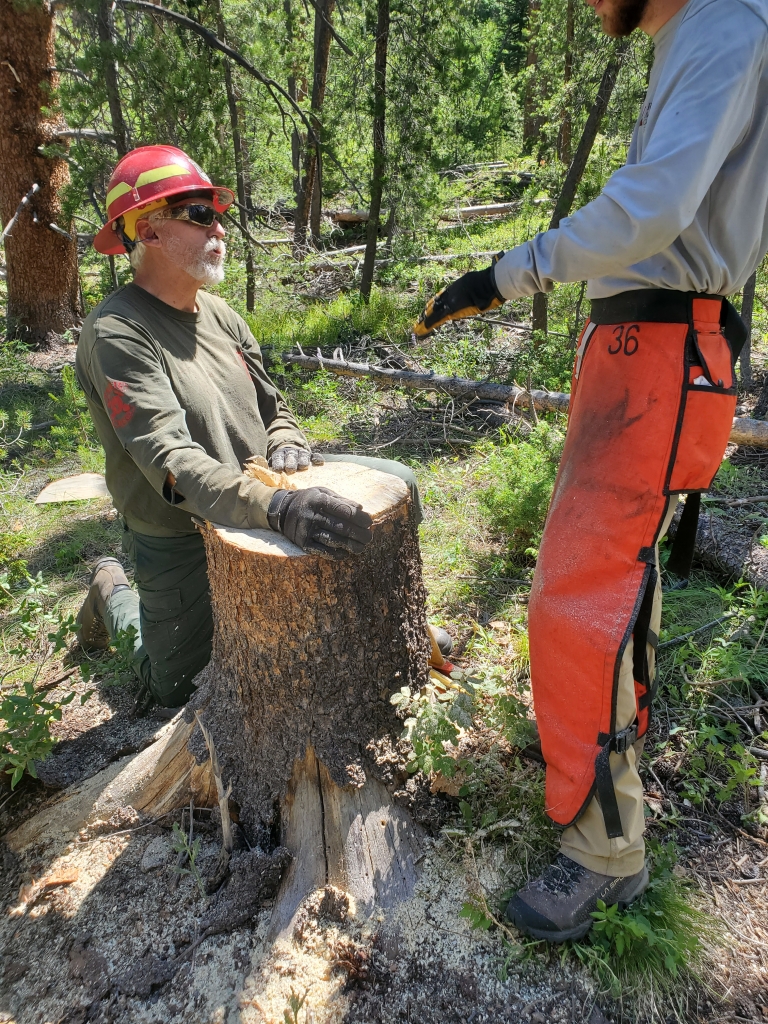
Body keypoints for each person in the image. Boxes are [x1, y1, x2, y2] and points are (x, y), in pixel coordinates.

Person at [415, 0, 767, 941]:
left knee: (575, 597)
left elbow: (654, 208)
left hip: (659, 350)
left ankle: (605, 848)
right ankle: (610, 778)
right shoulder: (699, 35)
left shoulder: (724, 23)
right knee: (614, 589)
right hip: (640, 347)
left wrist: (509, 272)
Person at [76, 144, 447, 713]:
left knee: (397, 481)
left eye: (217, 213)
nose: (218, 228)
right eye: (199, 215)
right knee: (175, 687)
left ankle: (394, 621)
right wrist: (277, 510)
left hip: (261, 496)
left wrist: (288, 443)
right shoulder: (118, 333)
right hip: (181, 532)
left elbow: (274, 407)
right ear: (147, 233)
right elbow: (170, 463)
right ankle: (112, 593)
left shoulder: (221, 314)